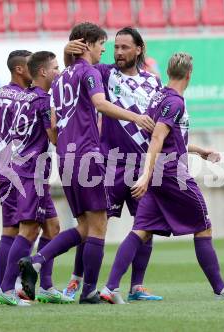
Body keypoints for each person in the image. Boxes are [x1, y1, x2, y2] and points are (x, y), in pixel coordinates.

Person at [18, 22, 155, 304]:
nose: (105, 50)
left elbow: (53, 126)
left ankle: (40, 262)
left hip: (65, 156)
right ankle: (86, 288)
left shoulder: (61, 77)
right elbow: (101, 104)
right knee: (98, 226)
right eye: (102, 44)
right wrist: (135, 117)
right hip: (87, 154)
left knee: (84, 226)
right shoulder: (90, 72)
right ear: (88, 44)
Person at [100, 53, 224, 302]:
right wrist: (145, 176)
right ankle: (221, 289)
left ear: (170, 72)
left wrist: (200, 151)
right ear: (189, 75)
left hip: (160, 173)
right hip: (172, 174)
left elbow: (169, 138)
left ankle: (110, 287)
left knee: (141, 230)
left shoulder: (158, 96)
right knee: (203, 227)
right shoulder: (175, 102)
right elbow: (158, 139)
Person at [61, 27, 163, 302]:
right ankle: (76, 281)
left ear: (139, 49)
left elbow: (160, 124)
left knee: (146, 225)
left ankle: (137, 286)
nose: (118, 52)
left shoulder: (154, 82)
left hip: (140, 165)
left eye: (124, 47)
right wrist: (68, 51)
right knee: (93, 227)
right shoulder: (105, 73)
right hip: (109, 163)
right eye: (115, 47)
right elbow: (77, 69)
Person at [0, 51, 72, 306]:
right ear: (43, 72)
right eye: (56, 68)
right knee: (28, 230)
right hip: (30, 171)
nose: (58, 72)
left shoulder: (26, 97)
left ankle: (46, 286)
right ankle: (5, 290)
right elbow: (54, 138)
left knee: (52, 227)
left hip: (22, 167)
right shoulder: (42, 101)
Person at [0, 50, 33, 299]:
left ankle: (7, 286)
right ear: (19, 69)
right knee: (16, 230)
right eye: (30, 64)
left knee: (14, 228)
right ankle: (6, 287)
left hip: (1, 167)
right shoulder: (24, 98)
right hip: (17, 169)